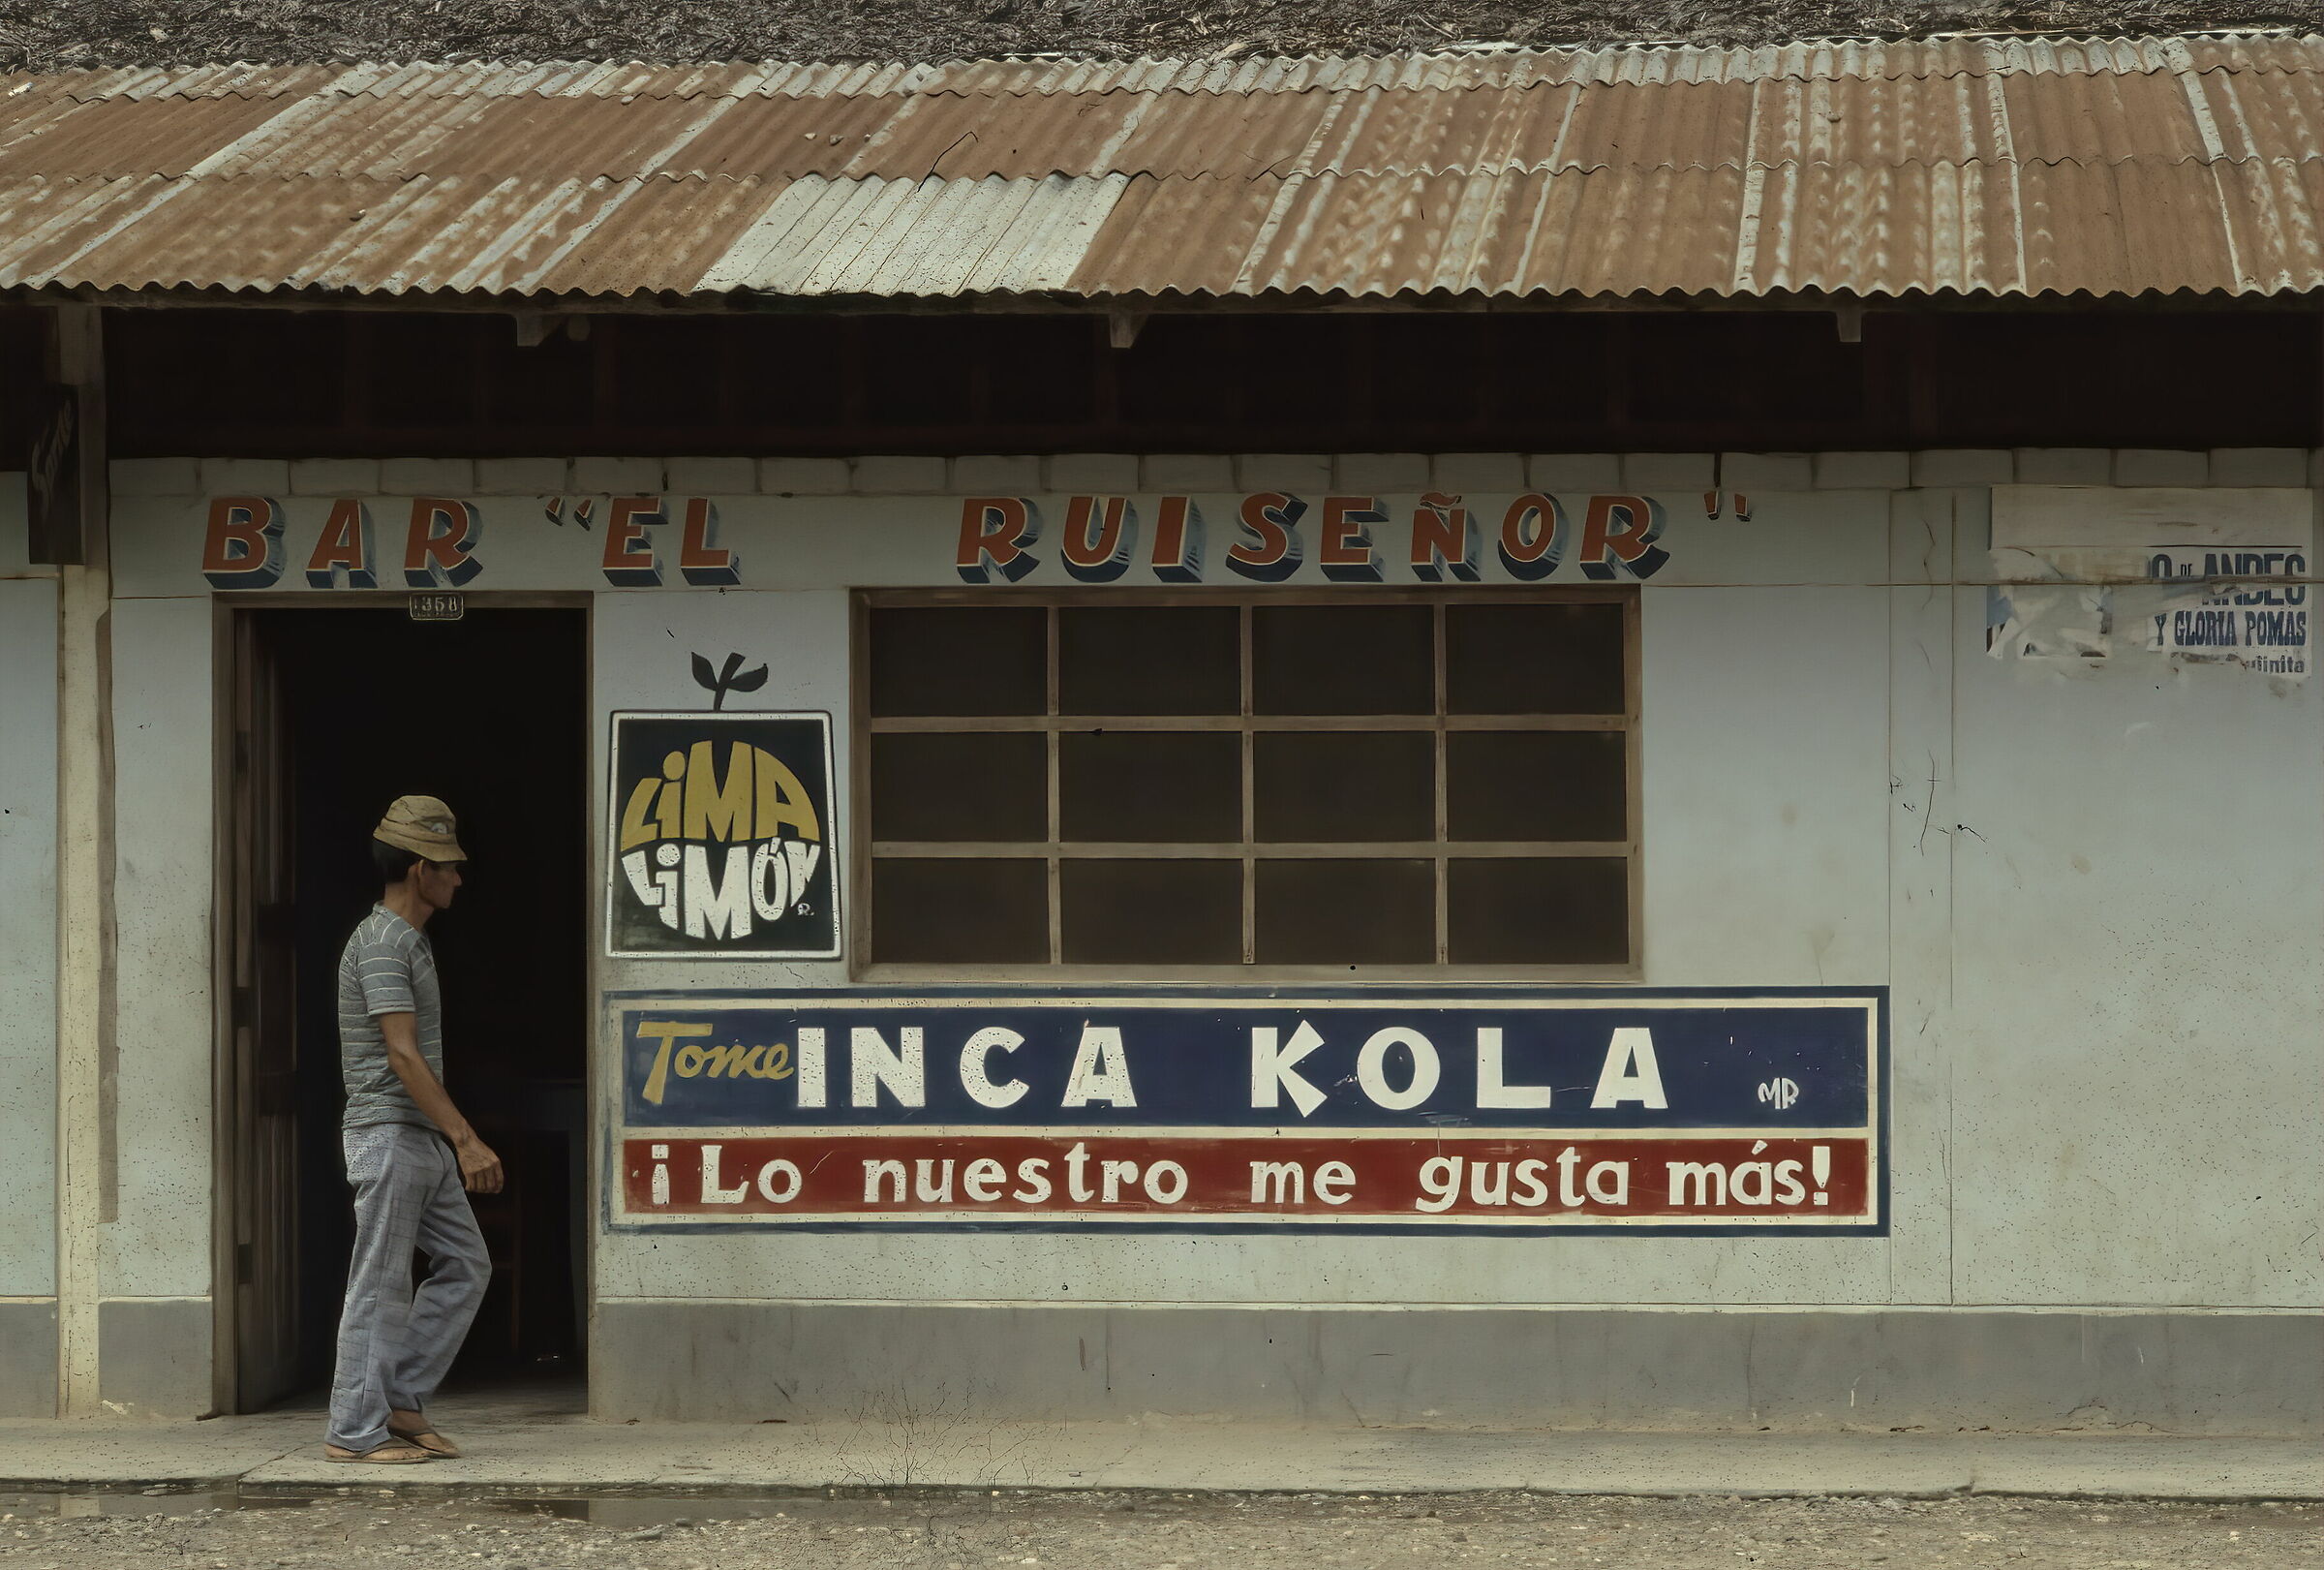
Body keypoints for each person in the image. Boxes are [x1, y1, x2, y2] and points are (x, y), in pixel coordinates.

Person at [322, 795, 502, 1464]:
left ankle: (397, 1396)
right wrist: (466, 1137)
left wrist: (445, 1137)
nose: (459, 880)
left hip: (416, 1137)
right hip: (389, 1134)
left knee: (467, 1263)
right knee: (379, 1281)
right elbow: (401, 1052)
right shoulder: (379, 944)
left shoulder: (409, 941)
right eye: (450, 869)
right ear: (422, 869)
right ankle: (353, 1429)